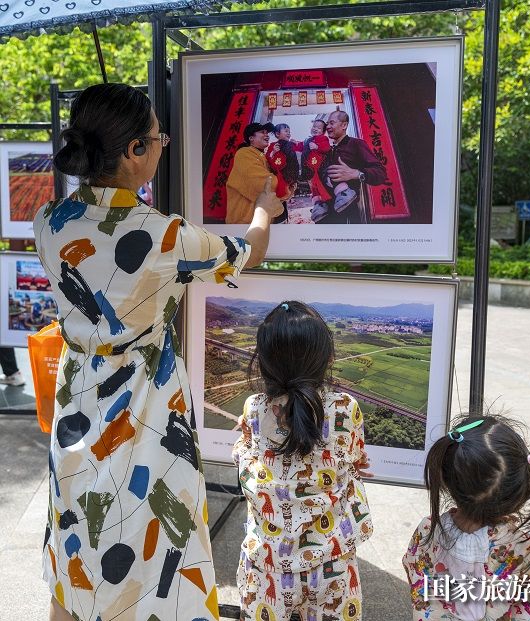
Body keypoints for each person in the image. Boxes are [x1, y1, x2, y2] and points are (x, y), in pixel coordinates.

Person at [33, 83, 283, 621]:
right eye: (157, 138)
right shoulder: (164, 235)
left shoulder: (49, 221)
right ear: (131, 152)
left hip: (78, 394)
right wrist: (264, 208)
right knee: (154, 535)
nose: (163, 146)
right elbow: (251, 251)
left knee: (77, 520)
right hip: (144, 401)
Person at [232, 301, 374, 621]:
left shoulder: (254, 408)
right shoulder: (345, 408)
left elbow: (245, 459)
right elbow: (356, 459)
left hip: (268, 562)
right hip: (332, 563)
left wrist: (242, 446)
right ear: (325, 358)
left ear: (264, 363)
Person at [403, 416, 530, 621]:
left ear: (447, 481)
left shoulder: (428, 529)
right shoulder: (521, 549)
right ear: (516, 493)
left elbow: (417, 577)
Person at [317, 110, 387, 224]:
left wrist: (356, 173)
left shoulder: (356, 144)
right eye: (327, 124)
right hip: (328, 215)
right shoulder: (328, 150)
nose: (328, 127)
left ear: (344, 125)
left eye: (331, 123)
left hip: (348, 212)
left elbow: (380, 173)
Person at [226, 122, 292, 224]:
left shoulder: (264, 157)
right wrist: (288, 183)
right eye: (262, 132)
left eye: (267, 133)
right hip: (245, 222)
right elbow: (264, 184)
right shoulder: (244, 153)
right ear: (251, 138)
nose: (267, 135)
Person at [265, 123, 301, 199]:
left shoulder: (291, 144)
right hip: (280, 174)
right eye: (286, 131)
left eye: (289, 132)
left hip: (292, 173)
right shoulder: (273, 145)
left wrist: (297, 144)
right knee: (281, 193)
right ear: (277, 134)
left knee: (287, 192)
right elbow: (268, 157)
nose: (289, 133)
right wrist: (273, 152)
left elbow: (301, 150)